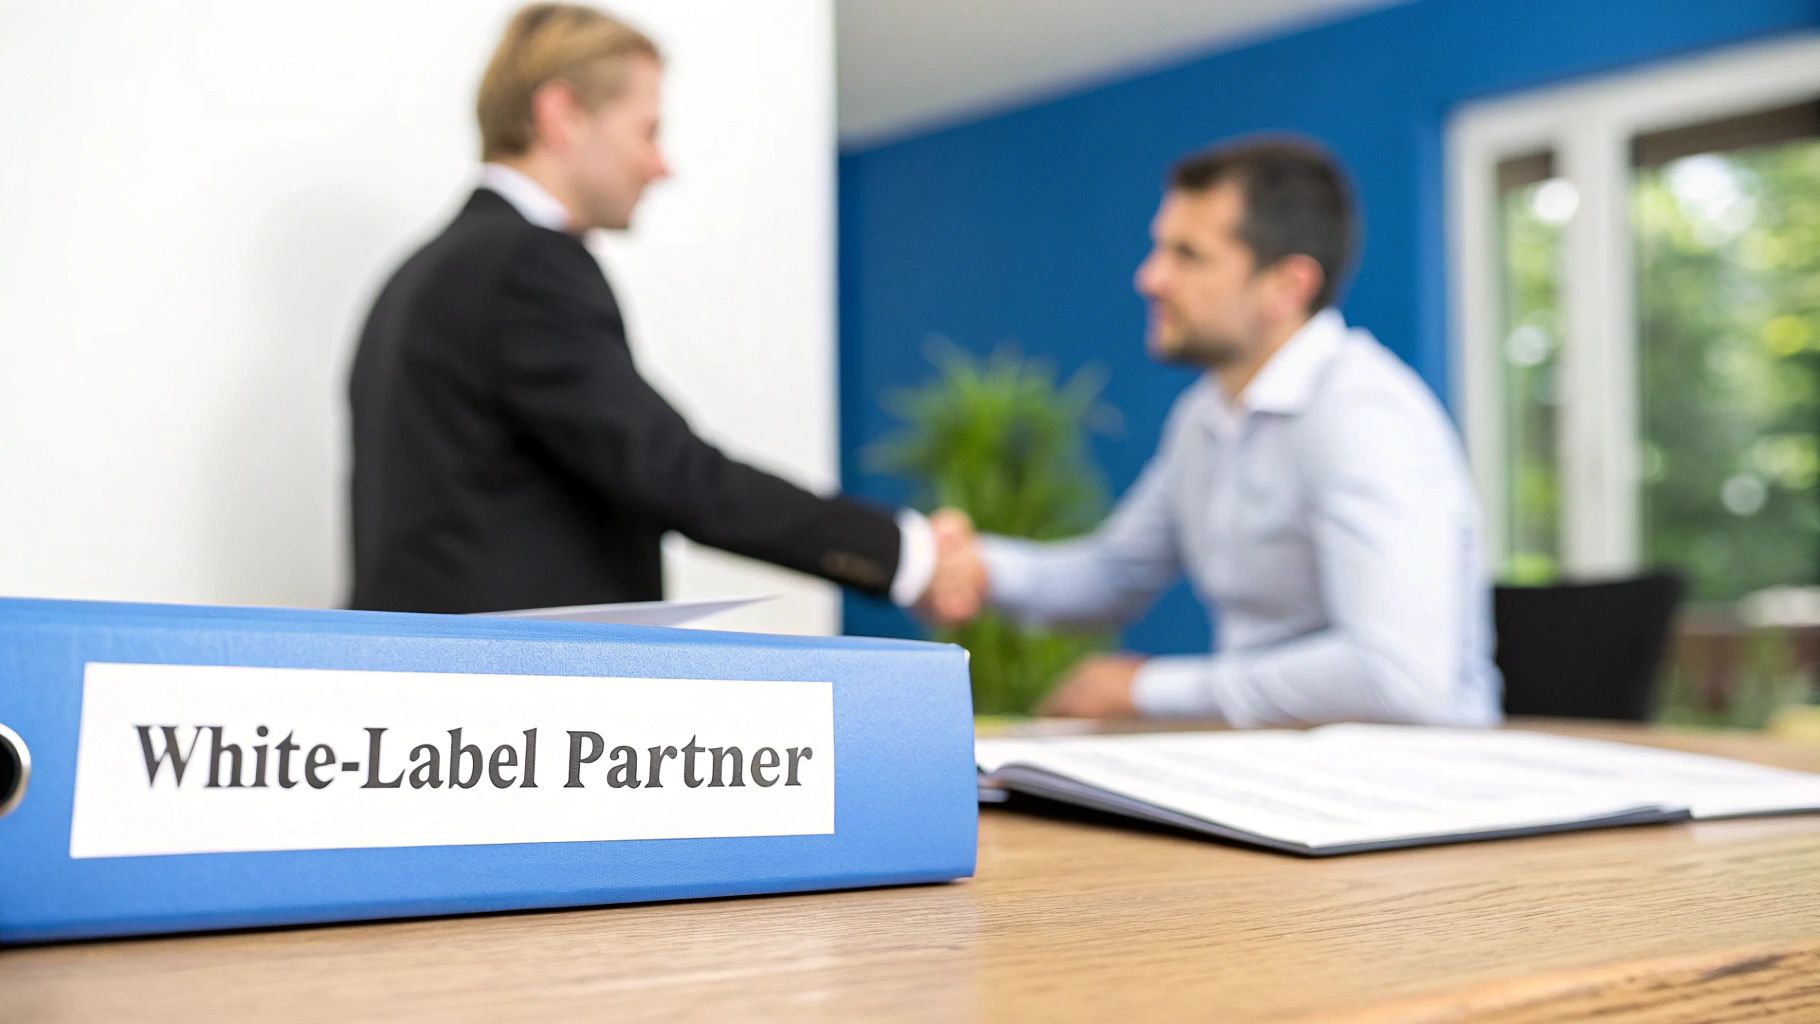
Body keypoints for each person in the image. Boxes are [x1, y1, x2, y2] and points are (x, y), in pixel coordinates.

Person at [348, 3, 977, 619]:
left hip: (428, 694)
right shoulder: (527, 263)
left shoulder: (414, 276)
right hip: (505, 705)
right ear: (561, 114)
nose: (661, 165)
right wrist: (909, 554)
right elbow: (674, 473)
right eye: (647, 131)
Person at [932, 138, 1501, 726]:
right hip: (1274, 768)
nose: (1150, 278)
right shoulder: (1204, 417)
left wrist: (1142, 690)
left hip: (1411, 787)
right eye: (1159, 248)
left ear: (1287, 285)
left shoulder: (1363, 413)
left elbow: (1397, 678)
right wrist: (975, 566)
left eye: (1188, 255)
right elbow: (1113, 573)